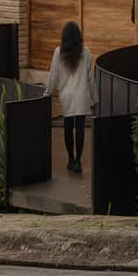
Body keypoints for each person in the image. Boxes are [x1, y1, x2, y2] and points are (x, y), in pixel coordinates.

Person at [45, 21, 97, 173]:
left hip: (66, 96)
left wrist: (48, 92)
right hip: (82, 95)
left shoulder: (58, 52)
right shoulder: (86, 52)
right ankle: (79, 161)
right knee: (80, 129)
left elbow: (53, 75)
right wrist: (95, 99)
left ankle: (70, 160)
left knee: (68, 128)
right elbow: (91, 78)